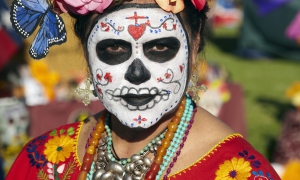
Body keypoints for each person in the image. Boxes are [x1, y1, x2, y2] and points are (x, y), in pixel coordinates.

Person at [6, 0, 280, 179]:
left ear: (194, 46)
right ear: (86, 52)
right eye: (113, 48)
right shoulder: (41, 161)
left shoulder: (243, 173)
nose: (137, 74)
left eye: (160, 47)